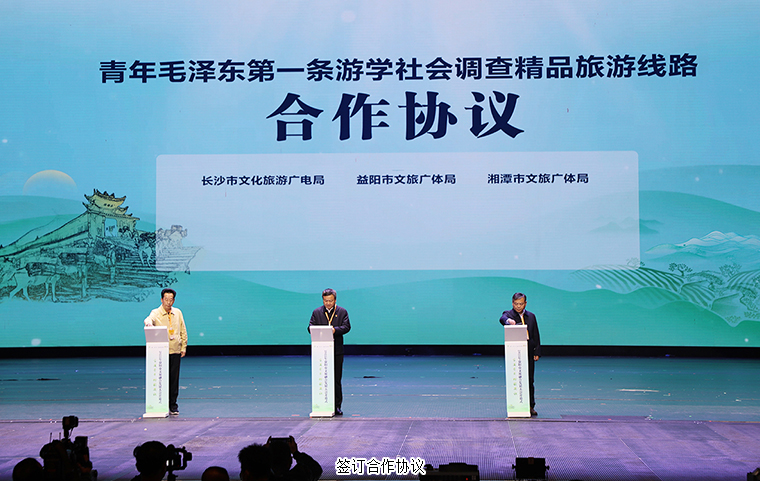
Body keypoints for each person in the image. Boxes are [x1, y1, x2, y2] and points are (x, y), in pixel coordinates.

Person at [144, 288, 188, 415]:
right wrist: (148, 324)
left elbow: (183, 330)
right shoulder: (156, 312)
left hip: (175, 350)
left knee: (174, 380)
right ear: (162, 300)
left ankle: (173, 405)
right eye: (166, 299)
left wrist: (183, 347)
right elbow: (148, 319)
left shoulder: (178, 312)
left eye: (171, 300)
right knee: (161, 379)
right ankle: (161, 404)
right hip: (161, 352)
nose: (168, 302)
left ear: (174, 300)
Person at [307, 288, 351, 415]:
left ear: (335, 300)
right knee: (321, 377)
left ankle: (336, 406)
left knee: (336, 379)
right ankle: (321, 404)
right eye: (326, 301)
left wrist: (334, 330)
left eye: (330, 301)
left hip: (336, 350)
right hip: (320, 351)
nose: (328, 303)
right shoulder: (317, 312)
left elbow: (347, 327)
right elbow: (310, 327)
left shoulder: (342, 312)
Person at [500, 292, 541, 416]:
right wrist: (508, 321)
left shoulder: (531, 316)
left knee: (529, 379)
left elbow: (536, 334)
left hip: (528, 351)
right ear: (512, 303)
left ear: (525, 304)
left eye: (521, 304)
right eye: (516, 304)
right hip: (515, 352)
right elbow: (502, 319)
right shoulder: (508, 314)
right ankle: (516, 405)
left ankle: (530, 406)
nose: (518, 306)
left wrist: (537, 351)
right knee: (517, 378)